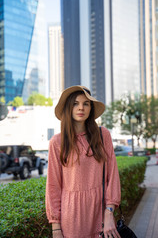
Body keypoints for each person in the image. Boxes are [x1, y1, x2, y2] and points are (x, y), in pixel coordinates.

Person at [46, 85, 121, 238]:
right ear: (69, 108)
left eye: (86, 103)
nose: (81, 108)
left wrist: (109, 212)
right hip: (72, 217)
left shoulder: (102, 135)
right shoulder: (57, 142)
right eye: (76, 103)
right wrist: (55, 228)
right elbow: (53, 186)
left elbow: (112, 176)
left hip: (99, 212)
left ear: (90, 108)